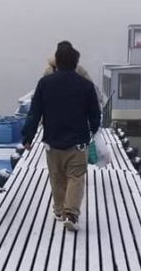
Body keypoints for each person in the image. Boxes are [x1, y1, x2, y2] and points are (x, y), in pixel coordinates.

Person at [21, 41, 101, 231]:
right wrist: (94, 129)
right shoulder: (86, 86)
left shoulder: (45, 83)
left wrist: (28, 137)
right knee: (76, 177)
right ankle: (71, 214)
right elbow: (95, 114)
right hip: (77, 142)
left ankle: (59, 210)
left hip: (53, 141)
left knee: (57, 177)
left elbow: (34, 113)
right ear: (76, 63)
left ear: (57, 61)